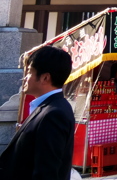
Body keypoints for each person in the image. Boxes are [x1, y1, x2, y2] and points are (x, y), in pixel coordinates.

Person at [0, 45, 74, 180]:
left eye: (29, 72)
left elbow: (46, 171)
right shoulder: (47, 107)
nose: (25, 78)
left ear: (45, 78)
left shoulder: (53, 114)